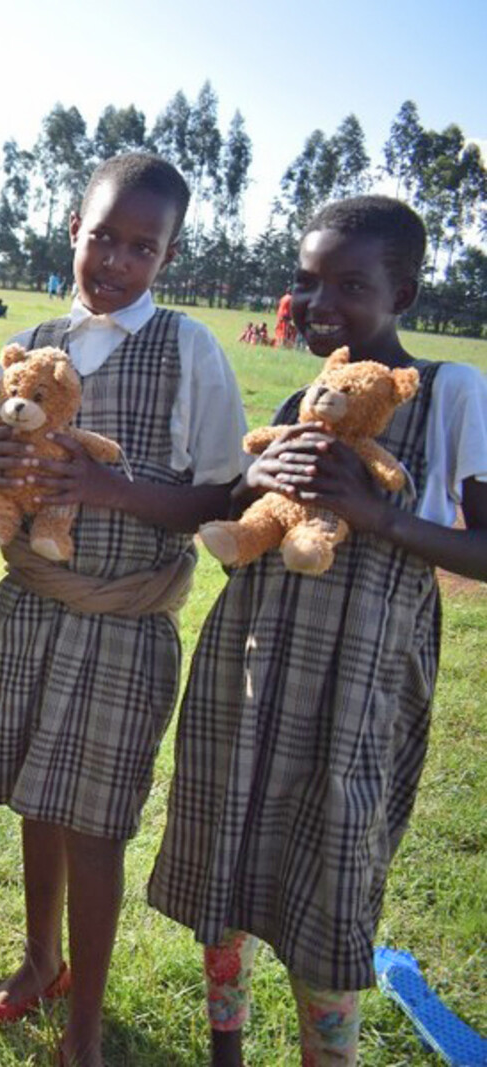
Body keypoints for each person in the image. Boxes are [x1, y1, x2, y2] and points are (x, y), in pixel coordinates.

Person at [149, 196, 487, 1067]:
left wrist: (376, 515)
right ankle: (225, 1045)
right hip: (253, 658)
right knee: (227, 842)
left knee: (331, 869)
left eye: (351, 283)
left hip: (362, 681)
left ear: (405, 289)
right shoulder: (305, 394)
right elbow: (247, 511)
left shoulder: (450, 391)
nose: (319, 301)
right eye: (306, 281)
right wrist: (253, 474)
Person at [0, 153, 247, 1066]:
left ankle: (83, 1030)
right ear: (73, 233)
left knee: (94, 821)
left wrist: (110, 488)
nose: (115, 261)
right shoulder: (40, 338)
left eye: (141, 247)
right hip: (31, 605)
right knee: (34, 799)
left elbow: (226, 497)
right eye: (102, 238)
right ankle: (40, 962)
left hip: (123, 627)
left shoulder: (188, 349)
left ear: (166, 256)